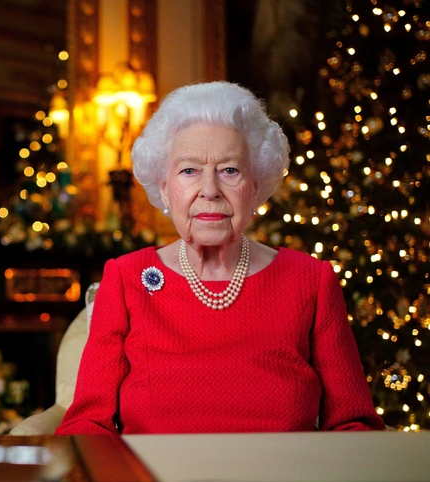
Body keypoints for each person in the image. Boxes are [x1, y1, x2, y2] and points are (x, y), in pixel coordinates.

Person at [56, 81, 385, 435]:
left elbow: (353, 424)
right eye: (189, 171)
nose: (210, 190)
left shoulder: (309, 280)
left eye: (230, 170)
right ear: (164, 187)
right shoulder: (126, 278)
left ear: (255, 186)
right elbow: (87, 425)